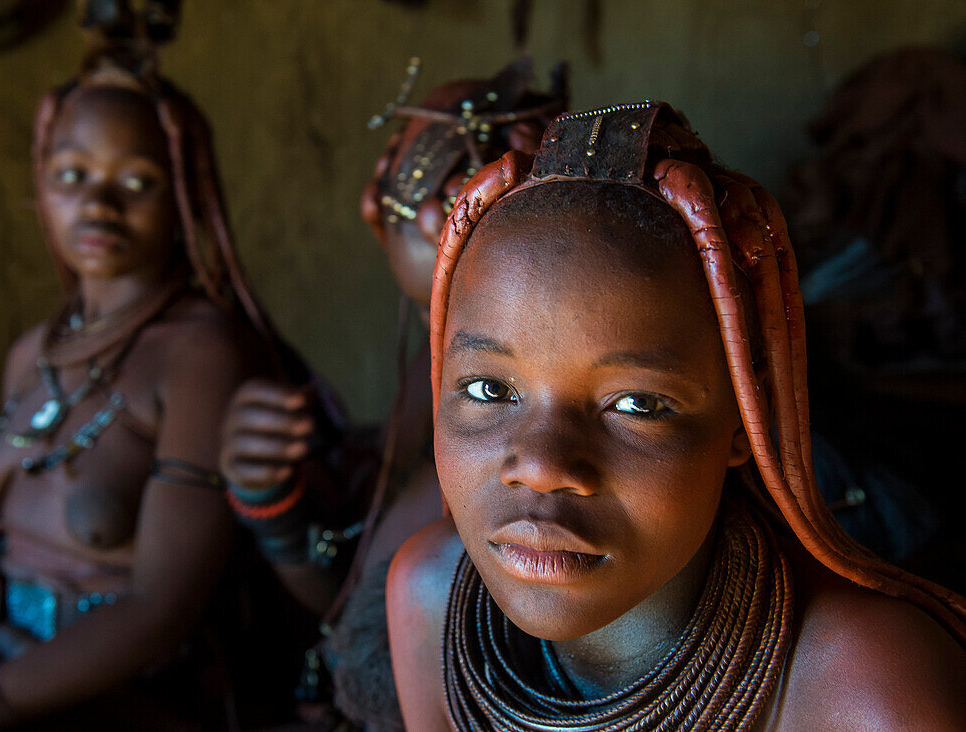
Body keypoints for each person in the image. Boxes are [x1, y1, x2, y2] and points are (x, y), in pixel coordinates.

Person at [387, 103, 966, 730]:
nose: (544, 466)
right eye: (489, 389)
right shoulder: (431, 599)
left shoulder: (864, 694)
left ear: (746, 417)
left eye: (637, 405)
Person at [0, 5, 282, 729]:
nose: (97, 201)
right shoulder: (35, 353)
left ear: (183, 196)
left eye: (138, 180)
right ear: (40, 186)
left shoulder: (201, 355)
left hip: (131, 700)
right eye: (72, 173)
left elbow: (162, 610)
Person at [220, 57, 565, 728]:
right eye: (426, 182)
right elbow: (358, 611)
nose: (452, 215)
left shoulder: (546, 419)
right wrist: (274, 509)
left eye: (482, 175)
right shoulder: (425, 388)